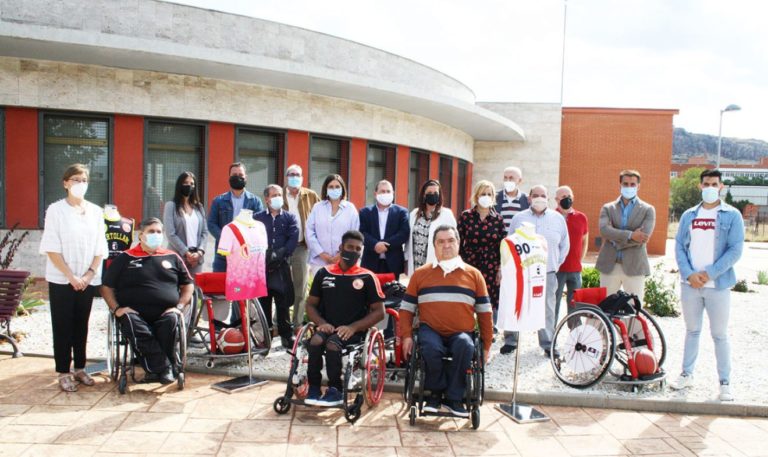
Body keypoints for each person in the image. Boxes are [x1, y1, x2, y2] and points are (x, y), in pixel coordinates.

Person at [400, 225, 492, 417]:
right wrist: (407, 336)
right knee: (430, 348)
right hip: (430, 329)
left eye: (451, 240)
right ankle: (435, 393)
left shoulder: (474, 275)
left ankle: (454, 398)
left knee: (465, 346)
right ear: (434, 246)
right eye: (440, 242)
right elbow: (407, 309)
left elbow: (485, 313)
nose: (446, 245)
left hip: (462, 332)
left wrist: (486, 346)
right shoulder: (420, 274)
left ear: (459, 243)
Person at [672, 169, 744, 402]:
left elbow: (735, 250)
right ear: (700, 186)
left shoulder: (732, 215)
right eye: (706, 184)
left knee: (719, 334)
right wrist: (690, 274)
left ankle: (725, 383)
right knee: (692, 331)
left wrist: (709, 273)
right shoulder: (688, 215)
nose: (710, 187)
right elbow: (680, 247)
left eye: (715, 183)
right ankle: (686, 374)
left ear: (721, 187)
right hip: (690, 284)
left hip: (718, 285)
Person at [39, 164, 109, 392]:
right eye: (76, 179)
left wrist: (88, 274)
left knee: (82, 324)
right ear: (66, 183)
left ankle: (80, 367)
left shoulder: (96, 211)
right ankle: (63, 371)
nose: (80, 184)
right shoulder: (56, 210)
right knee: (63, 325)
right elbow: (52, 247)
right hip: (62, 279)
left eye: (84, 180)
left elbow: (101, 247)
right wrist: (70, 276)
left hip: (87, 279)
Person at [101, 218, 194, 384]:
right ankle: (165, 368)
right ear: (141, 235)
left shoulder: (173, 257)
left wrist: (179, 307)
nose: (156, 235)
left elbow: (188, 285)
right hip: (134, 314)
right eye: (151, 232)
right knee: (130, 321)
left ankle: (154, 369)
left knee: (172, 320)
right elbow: (106, 287)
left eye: (159, 232)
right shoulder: (125, 258)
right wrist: (116, 309)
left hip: (167, 312)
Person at [304, 230, 385, 406]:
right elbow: (310, 305)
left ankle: (335, 390)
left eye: (358, 249)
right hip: (328, 327)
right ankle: (314, 388)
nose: (353, 252)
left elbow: (379, 312)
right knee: (315, 341)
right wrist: (321, 323)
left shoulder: (367, 276)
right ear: (341, 248)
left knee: (333, 344)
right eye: (350, 247)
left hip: (354, 331)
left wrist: (353, 327)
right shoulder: (323, 273)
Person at [502, 185, 569, 356]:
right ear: (529, 198)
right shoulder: (519, 218)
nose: (539, 198)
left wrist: (554, 265)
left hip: (547, 273)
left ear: (548, 198)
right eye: (536, 195)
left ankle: (548, 344)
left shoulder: (558, 219)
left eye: (543, 195)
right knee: (516, 303)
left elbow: (564, 245)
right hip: (522, 272)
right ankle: (511, 340)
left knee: (547, 308)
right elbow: (510, 243)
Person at [596, 169, 656, 297]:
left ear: (638, 186)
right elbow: (604, 230)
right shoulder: (608, 208)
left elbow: (643, 237)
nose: (629, 187)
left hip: (635, 266)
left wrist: (614, 238)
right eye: (625, 184)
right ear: (620, 185)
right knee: (606, 309)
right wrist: (631, 235)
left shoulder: (648, 210)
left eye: (632, 184)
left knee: (634, 310)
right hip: (609, 265)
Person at [255, 184, 299, 349]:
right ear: (266, 198)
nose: (277, 198)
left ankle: (286, 336)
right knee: (264, 302)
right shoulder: (257, 218)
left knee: (283, 303)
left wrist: (279, 255)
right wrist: (265, 256)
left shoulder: (290, 218)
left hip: (281, 266)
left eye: (280, 194)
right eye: (274, 195)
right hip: (262, 267)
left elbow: (293, 239)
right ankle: (266, 337)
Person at [458, 180, 506, 324]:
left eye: (489, 194)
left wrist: (500, 269)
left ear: (493, 197)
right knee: (469, 295)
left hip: (491, 265)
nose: (486, 196)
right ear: (476, 196)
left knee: (488, 298)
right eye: (483, 193)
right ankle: (467, 325)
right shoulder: (466, 216)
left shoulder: (498, 219)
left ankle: (488, 328)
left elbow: (502, 246)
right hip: (470, 263)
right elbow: (458, 241)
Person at [282, 164, 321, 329]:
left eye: (297, 174)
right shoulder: (278, 195)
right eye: (291, 174)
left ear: (302, 178)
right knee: (281, 287)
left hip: (301, 247)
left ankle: (297, 324)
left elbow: (320, 216)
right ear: (286, 177)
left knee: (301, 286)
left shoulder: (310, 196)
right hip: (281, 248)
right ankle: (281, 323)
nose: (294, 177)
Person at [208, 162, 265, 272]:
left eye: (240, 175)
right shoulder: (218, 201)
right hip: (223, 253)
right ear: (229, 177)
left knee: (243, 287)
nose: (237, 177)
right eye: (234, 175)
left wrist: (243, 241)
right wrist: (226, 239)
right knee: (220, 286)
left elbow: (259, 226)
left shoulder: (255, 201)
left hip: (246, 253)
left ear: (246, 177)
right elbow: (211, 224)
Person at [305, 174, 360, 275]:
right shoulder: (317, 207)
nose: (334, 189)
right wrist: (322, 254)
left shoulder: (350, 209)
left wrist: (340, 255)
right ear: (326, 189)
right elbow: (309, 232)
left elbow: (354, 235)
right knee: (321, 289)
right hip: (319, 261)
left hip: (344, 260)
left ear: (342, 189)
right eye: (331, 187)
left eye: (337, 186)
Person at [359, 179, 410, 279]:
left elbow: (403, 233)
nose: (385, 193)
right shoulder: (365, 212)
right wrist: (375, 244)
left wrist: (385, 245)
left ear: (393, 193)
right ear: (375, 193)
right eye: (382, 191)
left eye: (388, 191)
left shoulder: (401, 212)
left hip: (393, 263)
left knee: (392, 293)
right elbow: (362, 233)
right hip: (370, 262)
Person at [405, 180, 457, 275]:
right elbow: (409, 240)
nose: (432, 195)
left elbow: (454, 239)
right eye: (429, 193)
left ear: (439, 195)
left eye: (435, 193)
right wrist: (406, 258)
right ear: (424, 195)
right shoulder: (414, 214)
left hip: (438, 262)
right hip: (416, 263)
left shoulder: (447, 214)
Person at [553, 185, 589, 322]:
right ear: (556, 199)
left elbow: (585, 240)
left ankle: (574, 333)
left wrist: (580, 260)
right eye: (563, 197)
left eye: (569, 196)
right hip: (557, 270)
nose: (567, 199)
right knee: (553, 304)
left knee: (575, 306)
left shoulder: (581, 217)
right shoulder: (551, 216)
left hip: (575, 270)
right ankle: (551, 336)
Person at [163, 171, 208, 274]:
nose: (189, 186)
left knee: (195, 288)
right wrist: (186, 252)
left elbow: (205, 232)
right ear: (179, 185)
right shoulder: (171, 206)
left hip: (196, 260)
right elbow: (170, 234)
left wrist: (200, 252)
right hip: (177, 257)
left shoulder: (199, 207)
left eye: (192, 184)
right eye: (186, 183)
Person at [495, 166, 529, 232]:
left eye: (511, 178)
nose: (508, 181)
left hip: (518, 240)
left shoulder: (526, 199)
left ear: (519, 181)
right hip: (499, 240)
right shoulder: (495, 197)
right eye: (505, 178)